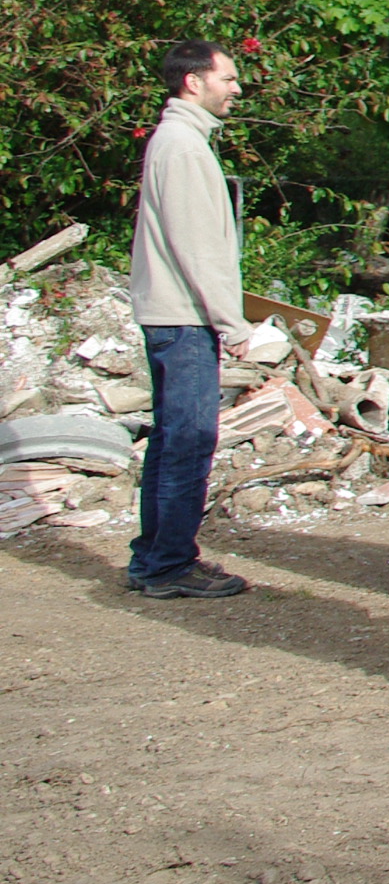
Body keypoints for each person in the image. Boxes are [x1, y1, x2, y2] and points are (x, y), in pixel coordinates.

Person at [125, 39, 254, 600]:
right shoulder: (182, 146)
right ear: (193, 83)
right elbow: (198, 246)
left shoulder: (179, 141)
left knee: (174, 438)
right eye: (227, 78)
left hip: (174, 314)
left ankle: (156, 556)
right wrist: (232, 321)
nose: (236, 88)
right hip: (183, 317)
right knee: (189, 439)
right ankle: (167, 564)